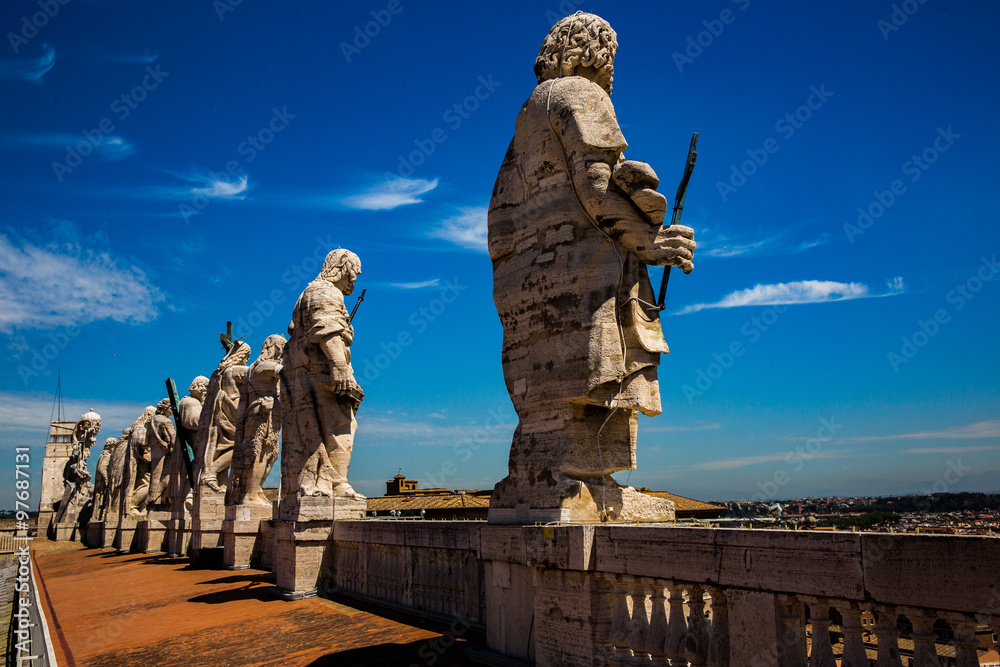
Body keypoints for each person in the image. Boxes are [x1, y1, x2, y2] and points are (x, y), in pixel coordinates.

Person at [487, 12, 696, 517]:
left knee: (553, 394)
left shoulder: (527, 115)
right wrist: (650, 242)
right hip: (584, 279)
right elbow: (596, 186)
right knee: (598, 371)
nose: (612, 72)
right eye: (611, 58)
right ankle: (584, 482)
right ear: (595, 51)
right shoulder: (581, 95)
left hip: (530, 284)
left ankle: (544, 475)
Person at [280, 249, 365, 500]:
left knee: (319, 430)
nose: (355, 279)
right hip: (323, 372)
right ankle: (337, 483)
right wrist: (339, 366)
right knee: (341, 426)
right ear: (341, 267)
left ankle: (325, 482)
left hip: (307, 374)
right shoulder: (325, 291)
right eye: (353, 272)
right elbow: (326, 329)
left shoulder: (308, 292)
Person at [228, 334, 285, 506]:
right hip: (263, 414)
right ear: (274, 348)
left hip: (261, 412)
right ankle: (250, 494)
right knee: (261, 452)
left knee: (269, 455)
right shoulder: (264, 366)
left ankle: (256, 490)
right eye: (282, 349)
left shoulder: (251, 368)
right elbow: (286, 372)